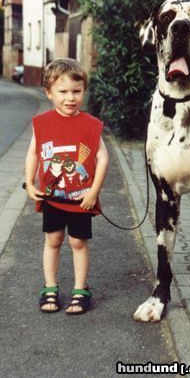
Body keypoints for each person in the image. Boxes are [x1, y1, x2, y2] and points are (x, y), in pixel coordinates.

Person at [25, 58, 109, 315]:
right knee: (53, 240)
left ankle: (80, 290)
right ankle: (50, 287)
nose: (70, 98)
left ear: (84, 90)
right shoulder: (42, 123)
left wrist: (93, 192)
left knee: (78, 242)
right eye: (62, 92)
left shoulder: (91, 125)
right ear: (49, 93)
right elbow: (33, 154)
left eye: (76, 91)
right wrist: (29, 183)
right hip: (52, 198)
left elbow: (102, 158)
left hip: (81, 199)